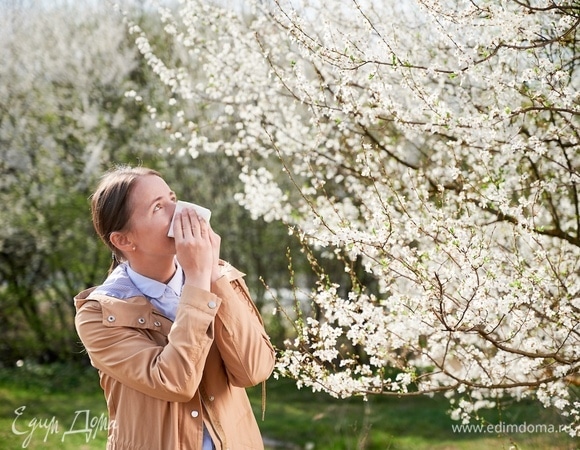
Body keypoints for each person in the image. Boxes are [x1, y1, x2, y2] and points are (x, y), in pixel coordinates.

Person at [74, 166, 276, 450]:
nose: (180, 211)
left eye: (172, 197)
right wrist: (197, 281)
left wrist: (212, 276)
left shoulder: (218, 277)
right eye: (158, 207)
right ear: (123, 240)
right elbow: (174, 382)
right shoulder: (99, 315)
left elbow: (254, 370)